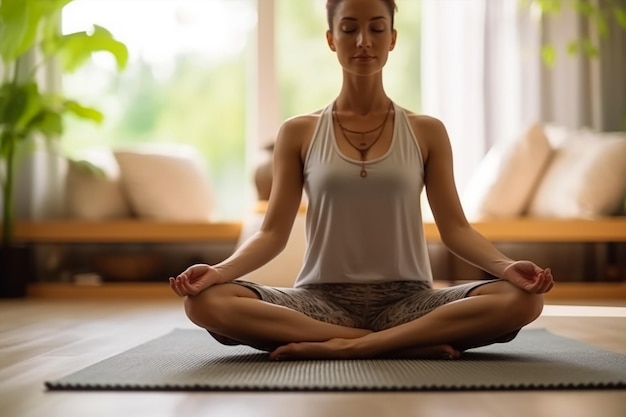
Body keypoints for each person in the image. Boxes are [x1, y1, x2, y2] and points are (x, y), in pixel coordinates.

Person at [169, 0, 554, 361]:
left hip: (410, 302)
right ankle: (400, 345)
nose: (364, 41)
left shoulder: (427, 132)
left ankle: (347, 348)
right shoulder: (298, 132)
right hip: (319, 304)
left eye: (377, 28)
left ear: (393, 38)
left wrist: (505, 267)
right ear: (331, 39)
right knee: (205, 303)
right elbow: (272, 234)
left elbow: (455, 229)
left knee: (523, 301)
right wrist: (218, 272)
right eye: (350, 29)